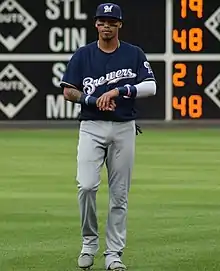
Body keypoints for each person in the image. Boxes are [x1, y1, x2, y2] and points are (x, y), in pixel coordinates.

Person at [60, 2, 157, 270]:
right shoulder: (84, 54)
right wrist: (91, 99)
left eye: (112, 21)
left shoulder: (133, 53)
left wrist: (118, 91)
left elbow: (151, 86)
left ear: (119, 25)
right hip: (92, 125)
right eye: (102, 21)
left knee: (119, 195)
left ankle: (114, 254)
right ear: (96, 24)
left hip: (124, 126)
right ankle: (89, 243)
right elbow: (68, 91)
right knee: (87, 185)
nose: (106, 25)